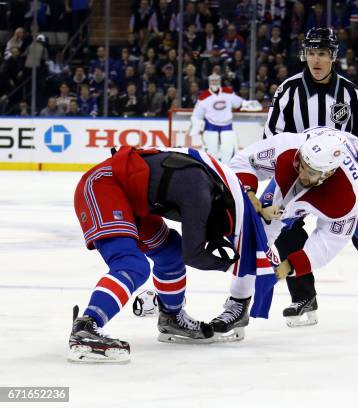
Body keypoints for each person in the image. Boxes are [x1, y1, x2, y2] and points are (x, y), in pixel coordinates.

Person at [226, 127, 358, 345]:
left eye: (310, 172)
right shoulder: (287, 148)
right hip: (309, 167)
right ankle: (238, 304)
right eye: (302, 164)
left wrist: (289, 265)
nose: (302, 174)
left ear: (328, 173)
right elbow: (244, 160)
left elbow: (327, 244)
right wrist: (250, 193)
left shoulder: (344, 198)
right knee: (257, 233)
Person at [69, 146, 277, 363]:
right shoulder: (201, 195)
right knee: (132, 265)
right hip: (105, 186)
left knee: (171, 253)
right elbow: (193, 254)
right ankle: (86, 326)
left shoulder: (211, 187)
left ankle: (171, 316)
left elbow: (185, 251)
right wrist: (235, 267)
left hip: (136, 200)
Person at [264, 27, 358, 324]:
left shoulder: (352, 94)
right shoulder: (288, 91)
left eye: (323, 54)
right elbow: (272, 136)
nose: (316, 61)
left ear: (333, 57)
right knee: (283, 229)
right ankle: (304, 298)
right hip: (301, 178)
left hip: (340, 180)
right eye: (312, 54)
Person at [189, 73, 247, 163]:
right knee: (211, 153)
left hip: (227, 125)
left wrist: (248, 104)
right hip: (210, 126)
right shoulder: (203, 97)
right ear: (209, 82)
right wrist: (195, 127)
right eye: (212, 81)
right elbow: (197, 115)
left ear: (219, 81)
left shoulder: (228, 92)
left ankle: (227, 172)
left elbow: (239, 103)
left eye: (216, 81)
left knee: (228, 151)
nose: (214, 83)